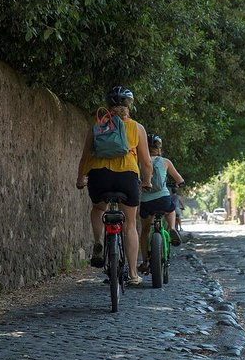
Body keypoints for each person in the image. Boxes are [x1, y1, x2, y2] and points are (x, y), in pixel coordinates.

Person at [76, 86, 153, 286]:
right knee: (129, 224)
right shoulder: (137, 127)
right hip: (127, 177)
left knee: (98, 208)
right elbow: (146, 162)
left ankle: (99, 242)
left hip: (99, 176)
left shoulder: (98, 126)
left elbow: (85, 157)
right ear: (129, 105)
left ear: (109, 105)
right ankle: (134, 274)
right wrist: (147, 181)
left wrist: (80, 179)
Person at [138, 134, 184, 274]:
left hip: (146, 201)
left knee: (145, 231)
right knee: (171, 209)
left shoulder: (139, 161)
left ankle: (145, 262)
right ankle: (171, 227)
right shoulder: (165, 162)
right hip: (163, 199)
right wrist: (179, 183)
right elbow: (179, 179)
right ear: (159, 147)